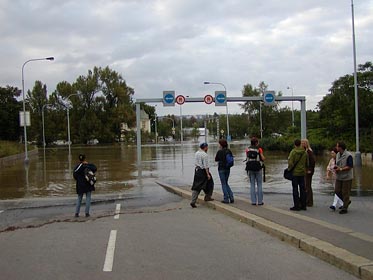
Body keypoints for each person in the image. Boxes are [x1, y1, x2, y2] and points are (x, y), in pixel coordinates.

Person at [190, 143, 214, 208]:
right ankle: (207, 196)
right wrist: (208, 174)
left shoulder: (197, 153)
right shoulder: (205, 155)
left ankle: (193, 201)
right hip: (203, 171)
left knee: (196, 186)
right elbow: (206, 166)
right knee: (210, 183)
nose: (208, 149)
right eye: (207, 147)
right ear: (205, 147)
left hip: (197, 170)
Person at [288, 139, 307, 211]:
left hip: (295, 173)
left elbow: (290, 162)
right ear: (300, 144)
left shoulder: (293, 152)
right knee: (303, 189)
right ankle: (303, 205)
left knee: (295, 189)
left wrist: (290, 168)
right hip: (302, 173)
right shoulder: (304, 152)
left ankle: (296, 205)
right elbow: (307, 163)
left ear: (294, 144)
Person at [334, 141, 353, 214]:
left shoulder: (348, 155)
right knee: (337, 190)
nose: (336, 147)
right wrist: (335, 168)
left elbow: (350, 166)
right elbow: (337, 163)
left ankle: (345, 208)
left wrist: (341, 169)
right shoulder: (338, 154)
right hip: (339, 176)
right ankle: (346, 201)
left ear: (340, 147)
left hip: (347, 177)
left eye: (337, 146)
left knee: (345, 192)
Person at [245, 137, 265, 205]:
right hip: (258, 168)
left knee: (252, 185)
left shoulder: (247, 149)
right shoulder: (259, 149)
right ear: (256, 143)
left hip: (250, 168)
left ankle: (253, 201)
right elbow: (263, 158)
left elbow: (247, 158)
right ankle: (260, 201)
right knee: (259, 185)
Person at [215, 139, 234, 204]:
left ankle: (226, 198)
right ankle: (231, 197)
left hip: (221, 169)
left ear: (221, 145)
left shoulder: (219, 152)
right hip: (228, 168)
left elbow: (216, 159)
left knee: (223, 183)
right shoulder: (229, 151)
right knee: (226, 183)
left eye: (219, 144)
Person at [301, 139, 316, 207]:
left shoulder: (309, 151)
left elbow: (313, 161)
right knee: (306, 185)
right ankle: (306, 200)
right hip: (305, 170)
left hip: (308, 171)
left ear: (307, 144)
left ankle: (309, 201)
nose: (302, 144)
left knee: (307, 186)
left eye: (304, 143)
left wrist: (310, 169)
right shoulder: (304, 151)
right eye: (302, 143)